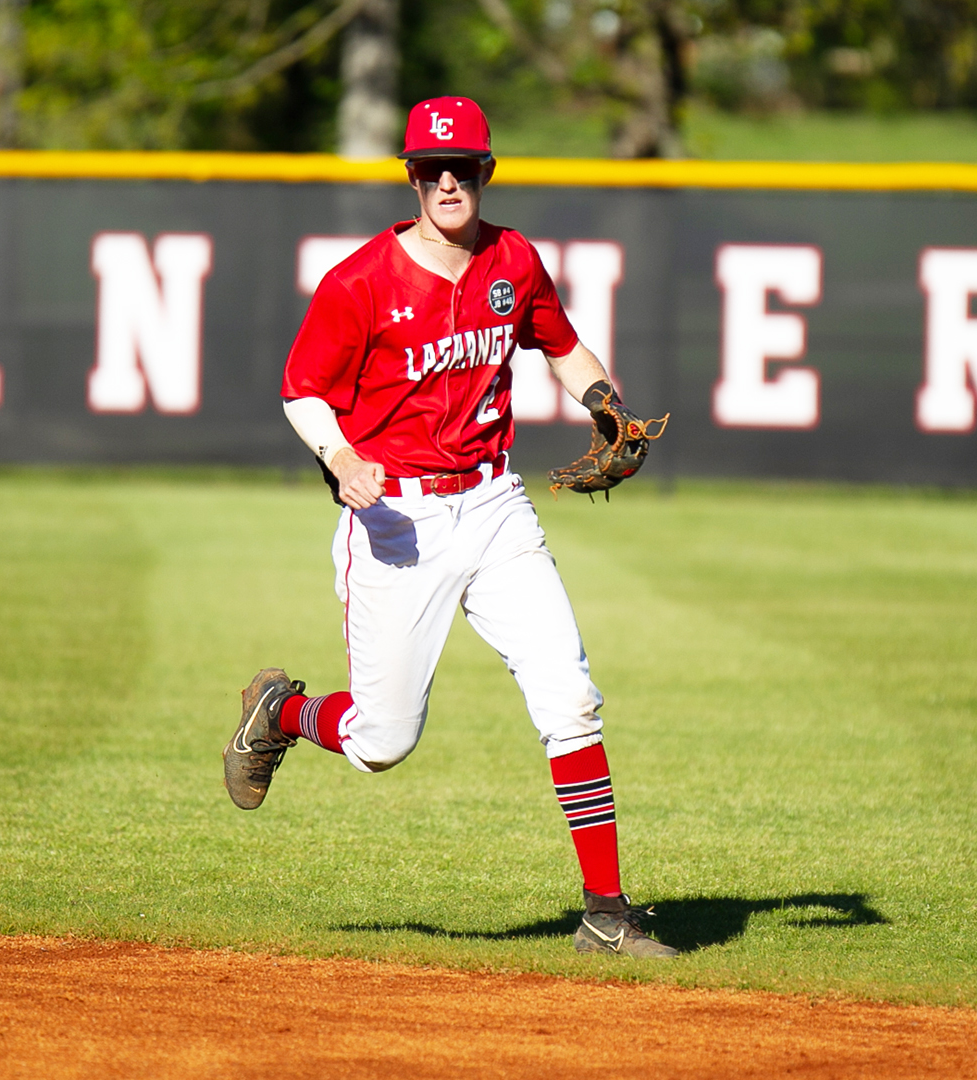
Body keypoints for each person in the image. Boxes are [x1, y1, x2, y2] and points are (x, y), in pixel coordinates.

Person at [223, 97, 676, 958]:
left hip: (496, 506)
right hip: (398, 518)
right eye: (429, 169)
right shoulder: (360, 281)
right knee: (383, 742)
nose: (445, 181)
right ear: (411, 177)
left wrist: (603, 400)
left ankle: (607, 913)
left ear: (485, 172)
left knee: (570, 696)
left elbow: (563, 344)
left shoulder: (513, 259)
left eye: (460, 166)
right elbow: (301, 389)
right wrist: (342, 457)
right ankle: (280, 714)